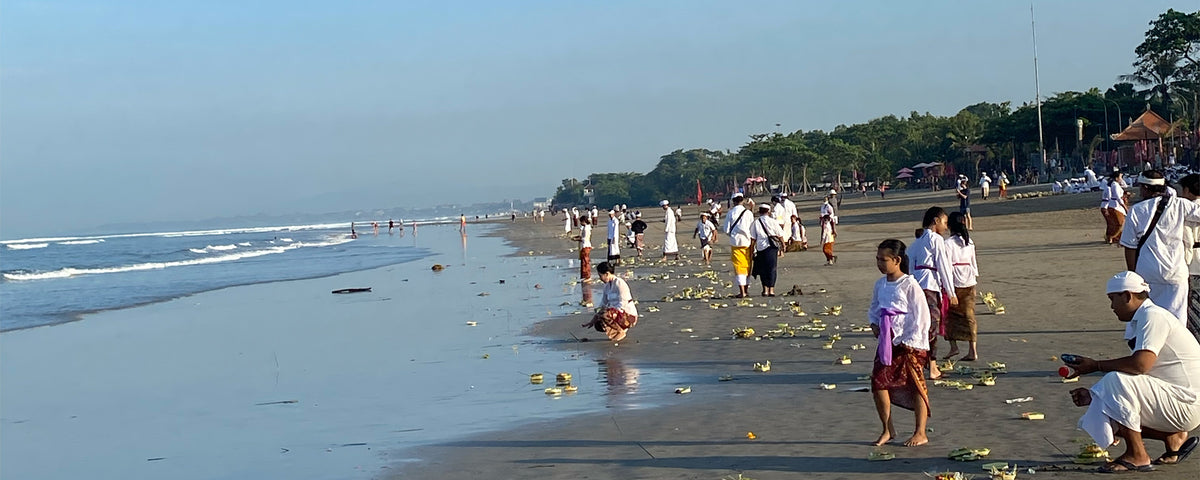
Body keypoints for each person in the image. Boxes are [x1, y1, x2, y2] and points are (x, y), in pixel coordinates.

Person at [1065, 271, 1200, 472]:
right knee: (1106, 401)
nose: (1112, 306)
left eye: (1113, 299)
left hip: (1186, 403)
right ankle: (1171, 437)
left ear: (1127, 296)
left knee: (1113, 381)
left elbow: (1140, 365)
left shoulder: (1153, 316)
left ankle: (1138, 455)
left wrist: (1095, 366)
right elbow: (1140, 375)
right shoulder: (1145, 317)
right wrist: (1096, 395)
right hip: (1176, 399)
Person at [869, 239, 933, 447]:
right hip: (887, 341)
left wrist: (912, 341)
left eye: (883, 259)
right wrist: (875, 323)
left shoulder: (910, 284)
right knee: (879, 383)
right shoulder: (880, 284)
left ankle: (920, 431)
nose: (879, 263)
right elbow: (875, 308)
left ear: (896, 260)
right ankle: (888, 428)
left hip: (908, 342)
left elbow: (921, 316)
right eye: (877, 259)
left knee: (915, 385)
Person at [1121, 170, 1200, 323]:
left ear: (1144, 188)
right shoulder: (1179, 205)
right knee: (1177, 320)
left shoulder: (1136, 210)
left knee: (1150, 318)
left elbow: (1130, 247)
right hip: (1175, 271)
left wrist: (1133, 273)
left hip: (1147, 272)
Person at [910, 207, 958, 379]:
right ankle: (932, 365)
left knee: (919, 325)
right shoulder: (935, 239)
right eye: (944, 222)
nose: (946, 227)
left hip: (915, 286)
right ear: (936, 221)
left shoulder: (916, 242)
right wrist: (951, 292)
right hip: (929, 286)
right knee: (931, 326)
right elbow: (943, 265)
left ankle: (920, 363)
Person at [943, 211, 979, 361]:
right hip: (969, 281)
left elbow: (946, 266)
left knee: (948, 316)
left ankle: (954, 346)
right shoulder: (969, 242)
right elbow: (973, 263)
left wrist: (946, 286)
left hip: (954, 282)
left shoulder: (948, 243)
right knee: (969, 316)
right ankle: (973, 350)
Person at [581, 261, 639, 342]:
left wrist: (609, 312)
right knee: (599, 322)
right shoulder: (607, 286)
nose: (600, 278)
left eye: (600, 276)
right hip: (616, 313)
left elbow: (622, 304)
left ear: (607, 274)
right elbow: (603, 304)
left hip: (628, 315)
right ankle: (618, 331)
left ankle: (621, 331)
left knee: (605, 314)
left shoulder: (619, 283)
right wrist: (593, 320)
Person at [1180, 174, 1200, 341]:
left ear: (1187, 190)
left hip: (1192, 261)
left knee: (1192, 304)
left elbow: (1186, 240)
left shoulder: (1184, 211)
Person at [750, 204, 785, 296]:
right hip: (772, 248)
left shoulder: (756, 223)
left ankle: (765, 290)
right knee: (772, 268)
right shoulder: (773, 221)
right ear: (768, 212)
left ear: (760, 212)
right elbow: (780, 234)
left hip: (761, 248)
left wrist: (751, 250)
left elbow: (753, 239)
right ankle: (771, 289)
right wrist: (783, 245)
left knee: (763, 269)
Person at [724, 192, 754, 298]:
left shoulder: (731, 213)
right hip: (748, 242)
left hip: (736, 243)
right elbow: (752, 228)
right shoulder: (748, 213)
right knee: (747, 266)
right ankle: (746, 289)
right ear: (742, 200)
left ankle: (742, 292)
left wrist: (733, 234)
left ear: (733, 201)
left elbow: (726, 229)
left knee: (738, 267)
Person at [1102, 171, 1129, 245]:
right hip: (1115, 206)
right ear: (1117, 178)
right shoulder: (1115, 185)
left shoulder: (1115, 184)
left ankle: (1114, 237)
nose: (1121, 179)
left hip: (1115, 205)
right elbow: (1117, 197)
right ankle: (1111, 237)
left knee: (1115, 223)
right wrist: (1124, 206)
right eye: (1120, 177)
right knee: (1119, 223)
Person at [575, 216, 592, 281]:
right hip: (584, 245)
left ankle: (587, 276)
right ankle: (585, 276)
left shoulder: (586, 228)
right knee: (584, 261)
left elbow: (585, 238)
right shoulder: (586, 227)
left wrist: (578, 239)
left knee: (585, 261)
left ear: (583, 221)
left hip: (586, 245)